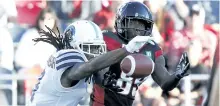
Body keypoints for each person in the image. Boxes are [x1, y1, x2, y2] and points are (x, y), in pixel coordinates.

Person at [29, 20, 152, 106]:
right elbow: (89, 67)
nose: (97, 53)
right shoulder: (68, 57)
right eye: (91, 48)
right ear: (74, 46)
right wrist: (127, 50)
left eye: (99, 48)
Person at [90, 1, 190, 106]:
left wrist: (177, 76)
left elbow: (165, 82)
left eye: (142, 24)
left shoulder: (151, 48)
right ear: (121, 22)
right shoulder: (106, 38)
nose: (137, 29)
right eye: (133, 23)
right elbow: (93, 68)